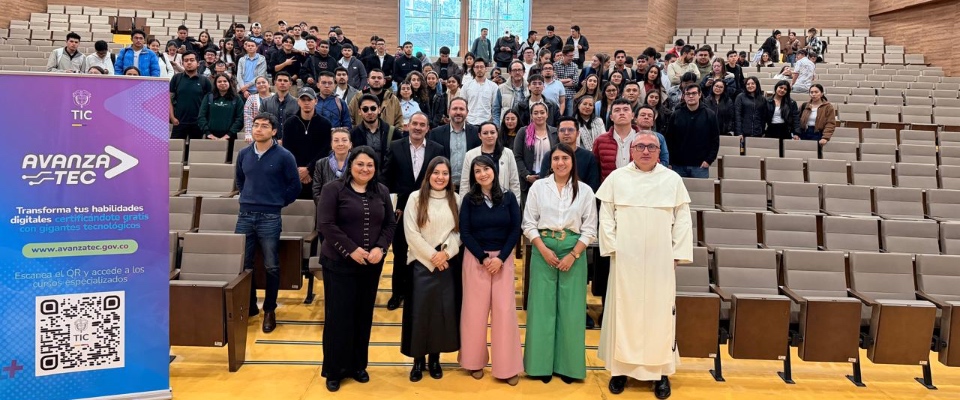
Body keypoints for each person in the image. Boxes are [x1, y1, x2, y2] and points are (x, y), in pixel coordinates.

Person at [596, 131, 693, 398]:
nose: (646, 151)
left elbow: (683, 218)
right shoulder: (618, 178)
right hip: (625, 258)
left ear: (659, 151)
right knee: (622, 311)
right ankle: (619, 370)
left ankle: (660, 373)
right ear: (631, 151)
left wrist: (676, 253)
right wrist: (613, 247)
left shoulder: (671, 180)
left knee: (659, 314)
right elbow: (606, 215)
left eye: (651, 146)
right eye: (640, 146)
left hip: (660, 259)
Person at [317, 145, 397, 392]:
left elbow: (390, 224)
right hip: (339, 264)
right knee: (338, 318)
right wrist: (351, 249)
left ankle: (358, 365)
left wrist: (380, 248)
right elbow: (326, 224)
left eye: (370, 165)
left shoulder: (381, 191)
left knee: (363, 317)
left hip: (370, 266)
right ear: (350, 165)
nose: (365, 169)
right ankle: (334, 369)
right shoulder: (333, 189)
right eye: (360, 164)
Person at [523, 142, 598, 384]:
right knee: (541, 308)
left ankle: (568, 367)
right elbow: (529, 223)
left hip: (572, 249)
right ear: (550, 162)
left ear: (572, 162)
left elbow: (590, 228)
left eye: (565, 158)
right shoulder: (538, 188)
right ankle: (539, 366)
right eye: (555, 158)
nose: (560, 163)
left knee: (571, 309)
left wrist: (574, 254)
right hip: (543, 247)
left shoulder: (585, 190)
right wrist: (543, 249)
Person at [234, 112, 302, 334]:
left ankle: (270, 310)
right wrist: (248, 199)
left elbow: (295, 186)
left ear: (274, 131)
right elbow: (240, 181)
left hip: (270, 217)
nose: (259, 129)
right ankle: (250, 305)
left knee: (271, 265)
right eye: (256, 125)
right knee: (244, 265)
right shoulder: (244, 154)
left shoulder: (285, 156)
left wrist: (277, 202)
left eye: (264, 126)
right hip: (245, 215)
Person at [458, 155, 523, 385]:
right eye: (477, 171)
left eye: (486, 169)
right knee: (474, 314)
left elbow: (515, 230)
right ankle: (473, 361)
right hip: (477, 260)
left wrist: (502, 258)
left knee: (504, 313)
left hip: (502, 260)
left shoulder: (508, 198)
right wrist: (484, 258)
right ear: (473, 176)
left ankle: (507, 367)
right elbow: (465, 232)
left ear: (494, 171)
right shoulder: (468, 200)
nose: (483, 174)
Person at [401, 155, 463, 382]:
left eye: (444, 173)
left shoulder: (455, 199)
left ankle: (435, 359)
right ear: (429, 175)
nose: (440, 177)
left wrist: (445, 253)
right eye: (436, 173)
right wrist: (432, 256)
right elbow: (411, 233)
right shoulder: (416, 198)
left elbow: (458, 232)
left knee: (441, 313)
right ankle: (418, 361)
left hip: (446, 262)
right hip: (420, 263)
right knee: (420, 313)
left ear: (449, 176)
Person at [382, 113, 446, 311]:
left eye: (422, 125)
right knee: (400, 251)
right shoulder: (395, 146)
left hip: (429, 208)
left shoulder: (437, 149)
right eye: (415, 124)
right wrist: (389, 207)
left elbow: (441, 178)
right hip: (401, 209)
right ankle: (397, 292)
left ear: (428, 128)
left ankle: (418, 291)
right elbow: (386, 178)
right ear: (407, 126)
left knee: (424, 250)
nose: (418, 128)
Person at [283, 87, 333, 199]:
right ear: (298, 101)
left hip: (317, 173)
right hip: (295, 173)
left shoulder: (325, 124)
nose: (306, 103)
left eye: (309, 100)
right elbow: (287, 149)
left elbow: (325, 150)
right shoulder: (289, 123)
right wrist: (299, 171)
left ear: (316, 101)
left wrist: (309, 169)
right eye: (303, 99)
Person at [667, 84, 720, 179]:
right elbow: (669, 139)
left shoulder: (710, 115)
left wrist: (709, 160)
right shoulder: (676, 115)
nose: (691, 96)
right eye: (687, 94)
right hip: (678, 165)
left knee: (700, 194)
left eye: (694, 93)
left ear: (700, 95)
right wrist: (670, 162)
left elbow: (715, 140)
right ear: (683, 96)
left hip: (700, 166)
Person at [428, 97, 482, 188]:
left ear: (467, 112)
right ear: (449, 111)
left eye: (461, 109)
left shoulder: (477, 133)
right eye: (454, 108)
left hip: (470, 186)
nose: (458, 112)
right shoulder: (435, 133)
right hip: (444, 185)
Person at [459, 122, 521, 199]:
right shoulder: (470, 155)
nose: (489, 136)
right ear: (479, 135)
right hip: (477, 201)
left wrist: (515, 204)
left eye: (492, 132)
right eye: (485, 133)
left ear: (497, 134)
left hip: (503, 201)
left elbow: (514, 182)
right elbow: (465, 183)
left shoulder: (508, 153)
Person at [539, 117, 601, 191]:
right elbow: (543, 184)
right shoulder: (550, 156)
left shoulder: (588, 157)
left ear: (578, 133)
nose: (566, 133)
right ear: (557, 133)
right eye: (562, 130)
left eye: (570, 130)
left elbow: (593, 185)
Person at [514, 102, 559, 204]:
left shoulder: (555, 132)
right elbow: (517, 156)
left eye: (542, 112)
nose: (539, 116)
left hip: (550, 179)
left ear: (547, 115)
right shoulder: (523, 132)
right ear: (531, 115)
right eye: (536, 113)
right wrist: (526, 176)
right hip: (528, 180)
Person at [170, 52, 213, 140]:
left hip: (197, 123)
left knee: (195, 151)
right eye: (186, 61)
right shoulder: (176, 78)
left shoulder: (205, 81)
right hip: (179, 122)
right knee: (175, 150)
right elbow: (169, 99)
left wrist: (205, 121)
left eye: (192, 60)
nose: (189, 62)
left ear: (198, 63)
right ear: (182, 64)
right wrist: (172, 117)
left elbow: (210, 103)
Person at [350, 94, 397, 167]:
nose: (369, 112)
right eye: (365, 109)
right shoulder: (353, 134)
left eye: (373, 108)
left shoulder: (394, 133)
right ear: (359, 111)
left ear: (379, 109)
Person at [198, 73, 244, 140]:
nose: (222, 83)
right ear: (215, 84)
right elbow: (201, 116)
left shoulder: (237, 98)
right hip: (210, 137)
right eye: (219, 81)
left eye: (225, 81)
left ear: (229, 83)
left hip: (230, 137)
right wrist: (208, 133)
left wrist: (229, 134)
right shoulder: (209, 97)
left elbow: (240, 118)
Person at [260, 72, 298, 141]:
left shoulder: (298, 103)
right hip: (270, 143)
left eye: (285, 81)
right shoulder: (265, 102)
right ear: (275, 82)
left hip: (292, 143)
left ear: (290, 84)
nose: (282, 83)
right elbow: (261, 124)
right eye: (280, 80)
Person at [460, 58, 499, 125]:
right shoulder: (466, 86)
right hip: (470, 122)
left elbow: (495, 107)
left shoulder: (493, 86)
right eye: (477, 67)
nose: (479, 69)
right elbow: (462, 104)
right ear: (473, 69)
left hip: (487, 122)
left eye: (481, 67)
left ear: (486, 69)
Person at [492, 61, 529, 126]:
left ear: (523, 72)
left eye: (519, 70)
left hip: (525, 125)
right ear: (510, 72)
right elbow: (496, 110)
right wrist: (497, 126)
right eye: (514, 70)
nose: (517, 72)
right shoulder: (501, 88)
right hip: (507, 125)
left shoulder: (529, 88)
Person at [243, 77, 274, 142]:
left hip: (273, 131)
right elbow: (248, 117)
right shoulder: (251, 98)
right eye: (258, 83)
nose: (261, 84)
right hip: (257, 131)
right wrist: (248, 134)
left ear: (269, 84)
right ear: (256, 86)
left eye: (263, 82)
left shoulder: (275, 97)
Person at [554, 46, 580, 116]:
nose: (572, 58)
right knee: (558, 116)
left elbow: (575, 82)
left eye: (573, 55)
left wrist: (559, 82)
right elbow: (553, 80)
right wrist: (568, 79)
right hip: (558, 96)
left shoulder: (575, 66)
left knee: (570, 117)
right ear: (564, 55)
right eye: (570, 56)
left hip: (570, 96)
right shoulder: (555, 66)